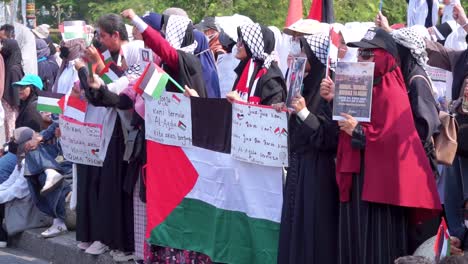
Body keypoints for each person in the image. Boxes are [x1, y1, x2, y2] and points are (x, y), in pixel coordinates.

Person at [322, 27, 441, 264]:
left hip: (381, 188)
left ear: (385, 56)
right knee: (355, 238)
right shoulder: (361, 85)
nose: (360, 59)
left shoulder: (391, 90)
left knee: (376, 244)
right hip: (359, 179)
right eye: (359, 54)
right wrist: (334, 99)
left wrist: (357, 130)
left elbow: (394, 142)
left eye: (368, 54)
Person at [277, 33, 339, 264]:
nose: (300, 56)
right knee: (296, 225)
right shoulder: (304, 81)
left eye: (304, 51)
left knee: (313, 228)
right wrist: (284, 110)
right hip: (299, 166)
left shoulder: (328, 86)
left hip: (319, 171)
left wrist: (303, 112)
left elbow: (329, 137)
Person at [424, 4, 468, 251]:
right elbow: (436, 51)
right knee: (452, 202)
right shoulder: (460, 57)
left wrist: (462, 19)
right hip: (457, 143)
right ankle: (457, 244)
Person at [1, 38, 24, 141]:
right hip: (11, 103)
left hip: (12, 104)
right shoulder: (13, 63)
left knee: (11, 127)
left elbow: (14, 90)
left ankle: (11, 148)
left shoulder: (13, 68)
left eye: (5, 46)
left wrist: (14, 103)